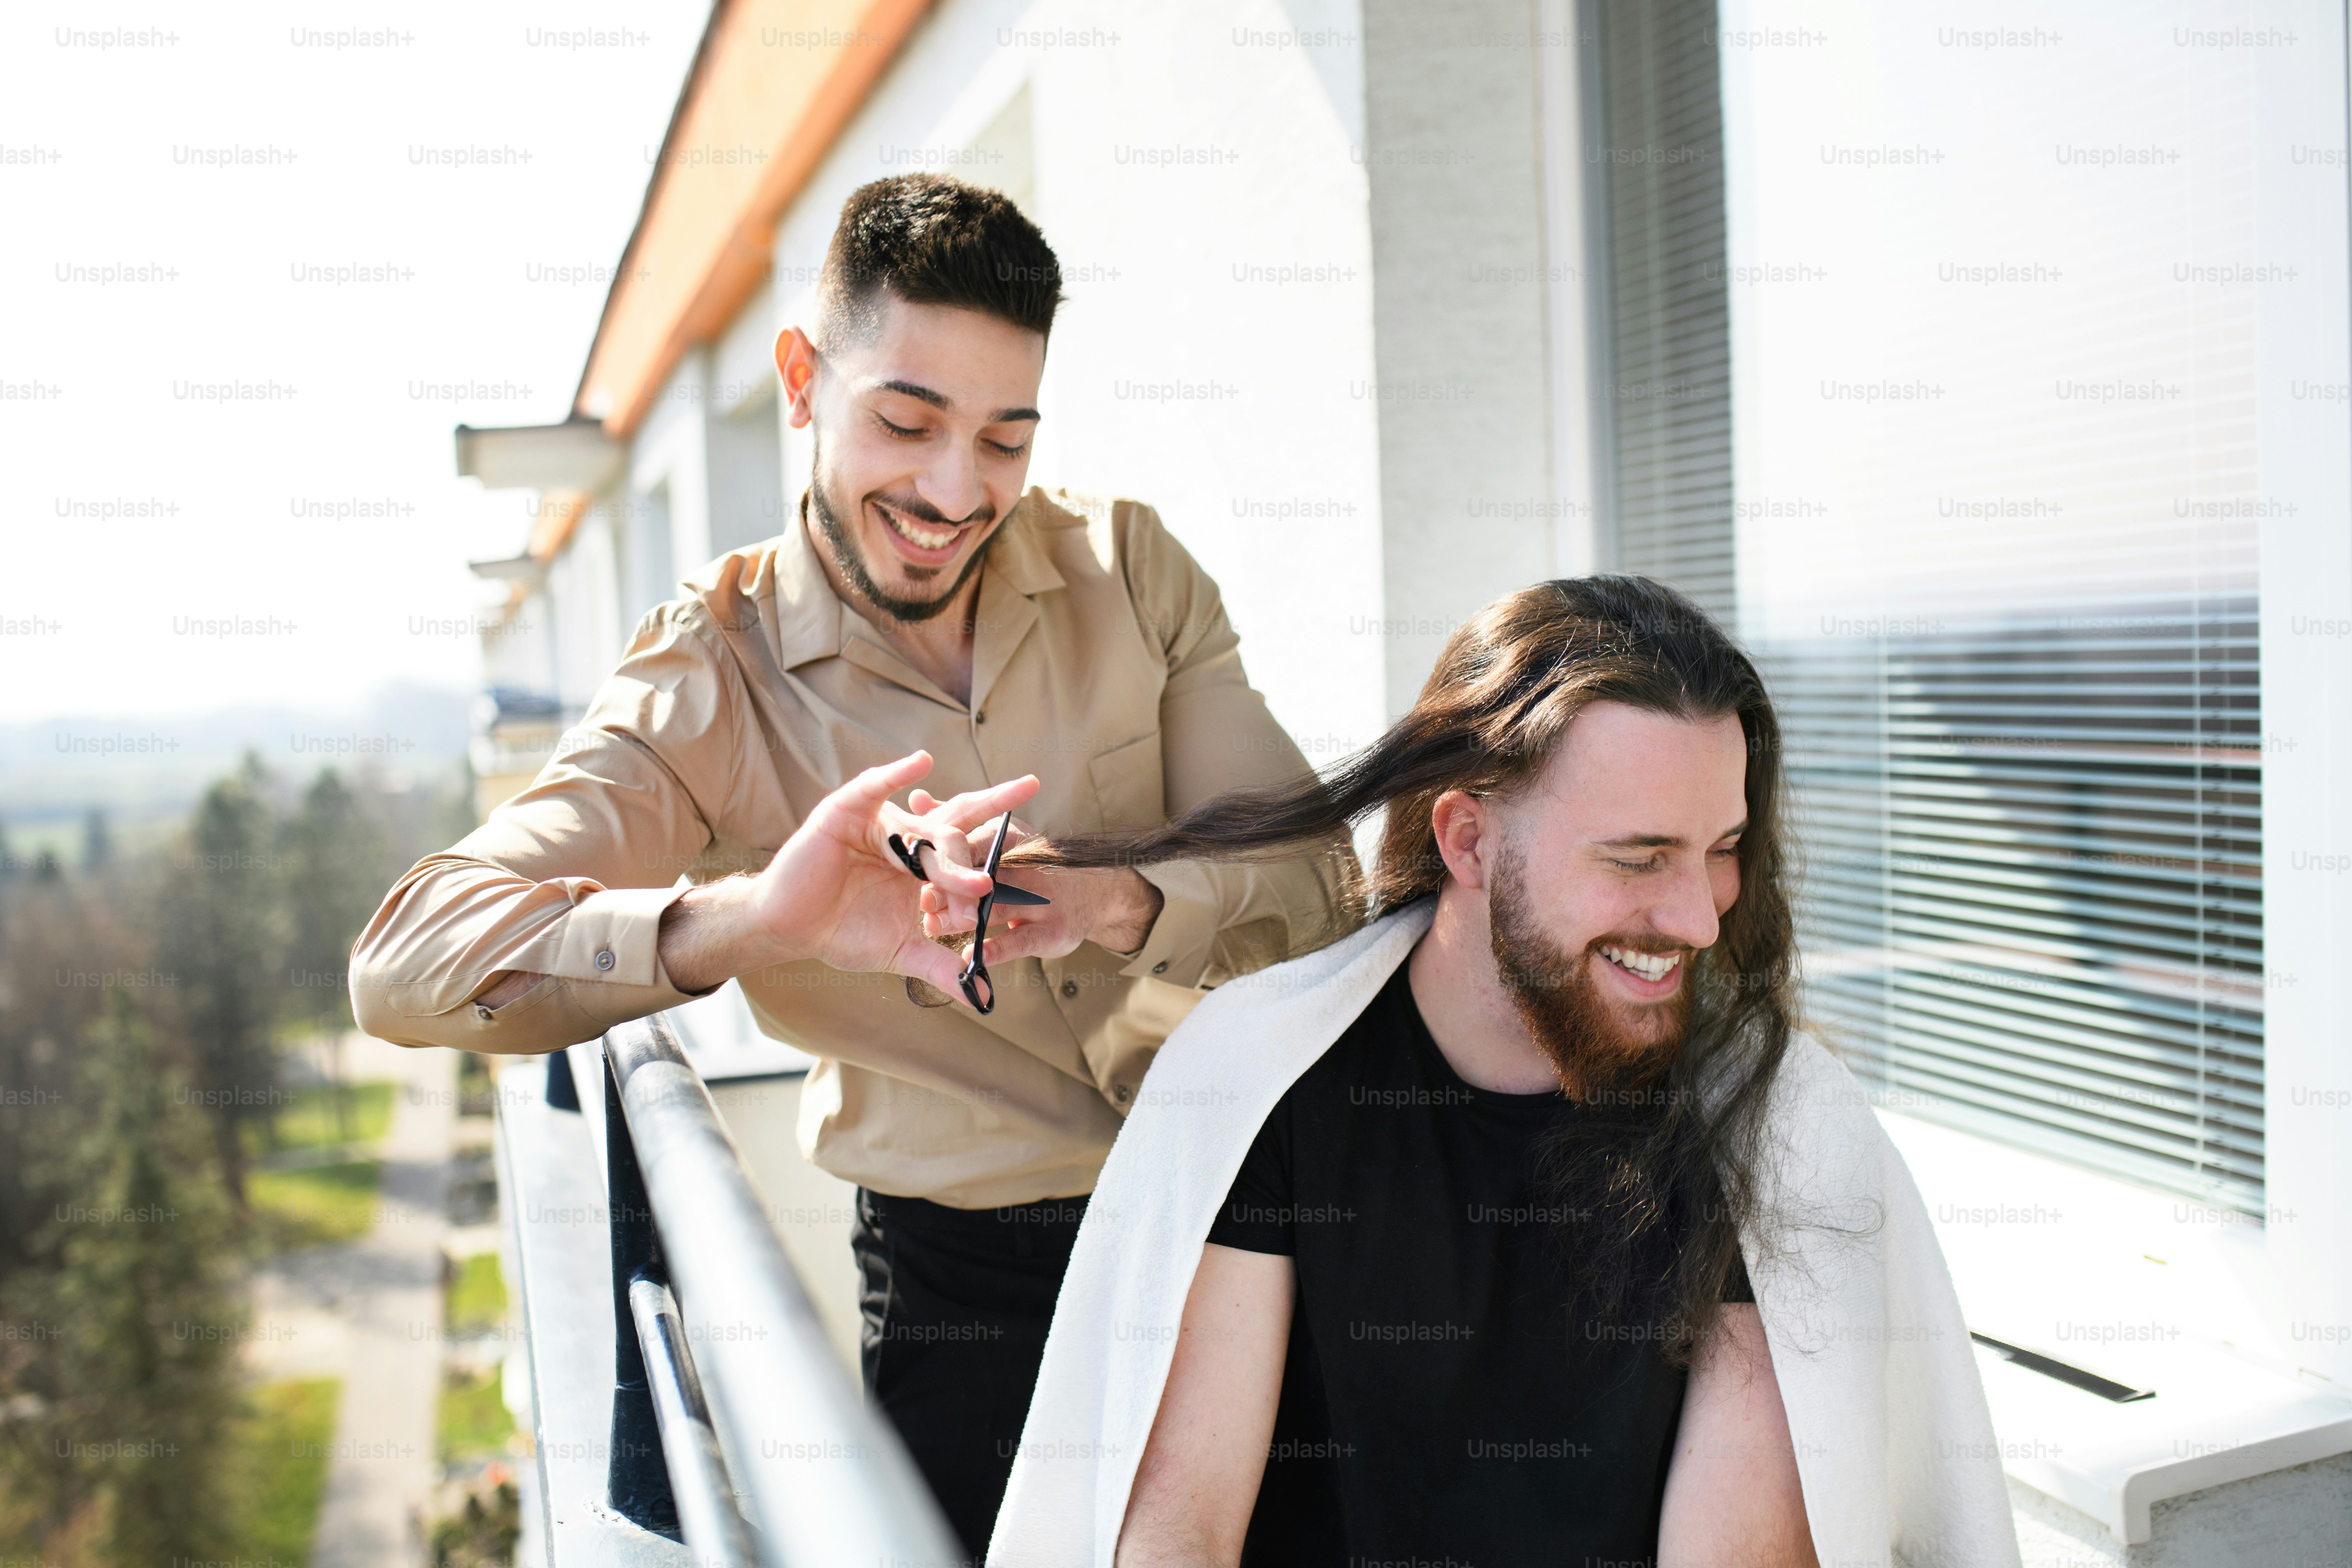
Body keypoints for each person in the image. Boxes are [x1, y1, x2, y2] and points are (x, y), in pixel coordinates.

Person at [348, 173, 1349, 1556]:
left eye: (1005, 438)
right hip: (967, 1296)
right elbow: (404, 965)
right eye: (906, 421)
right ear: (802, 380)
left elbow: (1320, 886)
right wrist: (756, 921)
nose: (956, 490)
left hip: (1241, 1222)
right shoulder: (710, 669)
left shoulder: (1132, 566)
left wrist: (1119, 901)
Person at [983, 577, 2022, 1568]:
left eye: (1721, 848)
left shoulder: (1767, 1125)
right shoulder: (1263, 1087)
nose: (1700, 917)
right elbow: (1178, 1534)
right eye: (1637, 856)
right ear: (1468, 839)